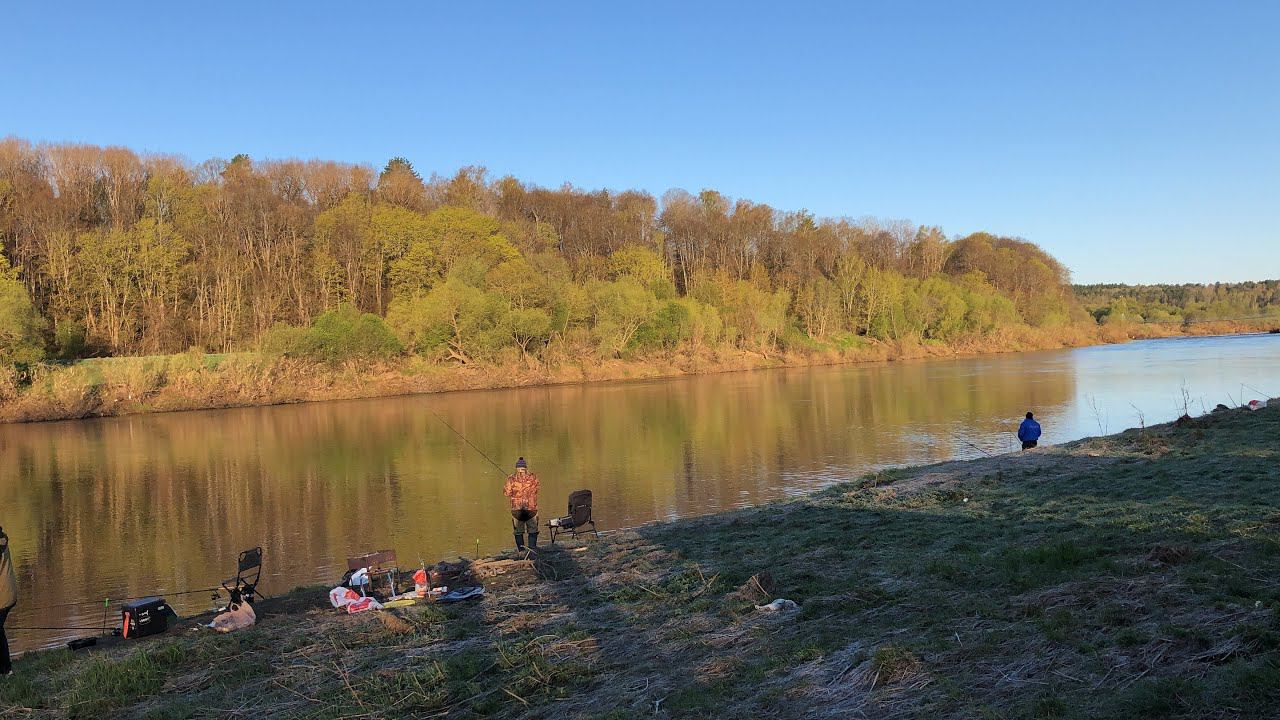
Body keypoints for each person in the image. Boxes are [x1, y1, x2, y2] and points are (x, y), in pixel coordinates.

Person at [503, 457, 540, 551]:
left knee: (518, 532)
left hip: (517, 510)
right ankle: (532, 550)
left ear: (517, 468)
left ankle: (521, 551)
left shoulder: (511, 479)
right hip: (531, 509)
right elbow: (537, 489)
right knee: (533, 530)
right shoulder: (533, 477)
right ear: (525, 468)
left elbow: (506, 493)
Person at [1, 526, 16, 677]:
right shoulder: (2, 539)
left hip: (2, 597)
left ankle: (6, 670)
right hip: (8, 594)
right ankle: (6, 669)